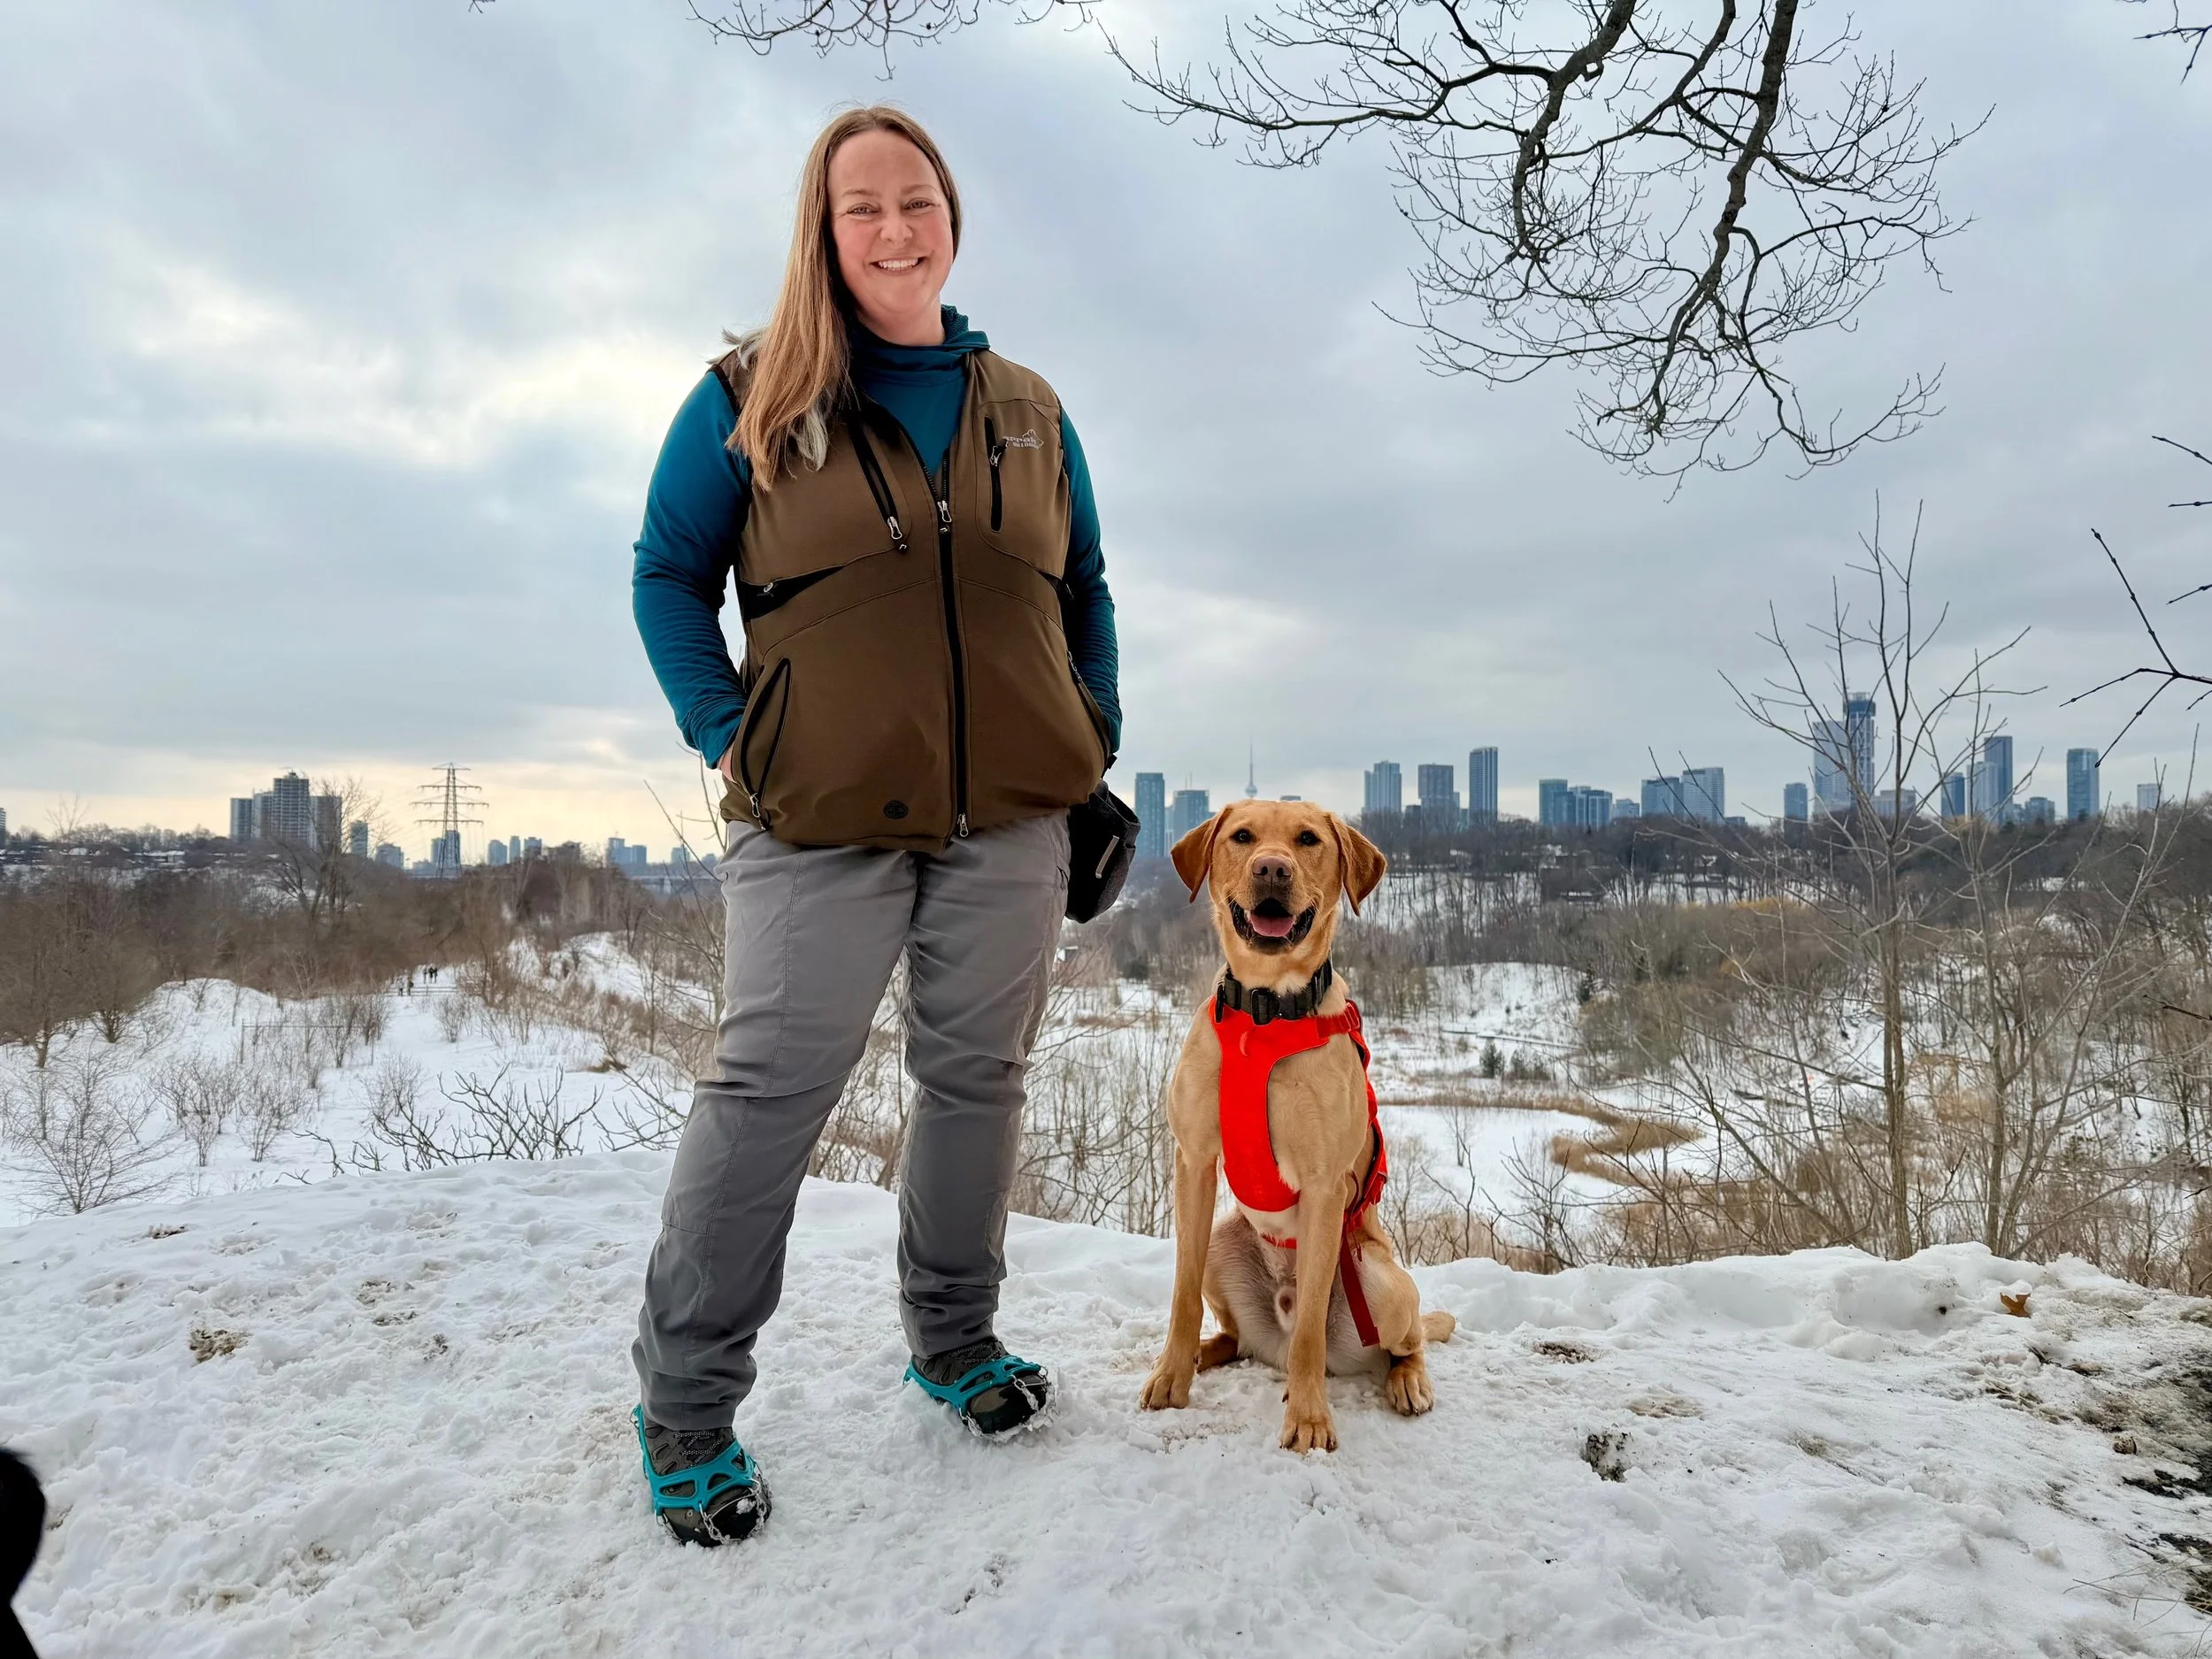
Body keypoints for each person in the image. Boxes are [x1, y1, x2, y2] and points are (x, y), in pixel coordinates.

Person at [626, 105, 1120, 1547]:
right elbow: (667, 575)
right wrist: (735, 739)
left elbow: (1083, 581)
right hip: (818, 817)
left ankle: (954, 1338)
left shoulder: (1028, 404)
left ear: (951, 215)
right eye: (863, 208)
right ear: (822, 232)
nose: (896, 228)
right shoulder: (749, 392)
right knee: (771, 1084)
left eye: (918, 200)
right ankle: (686, 1406)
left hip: (1013, 820)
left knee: (978, 1076)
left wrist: (1091, 732)